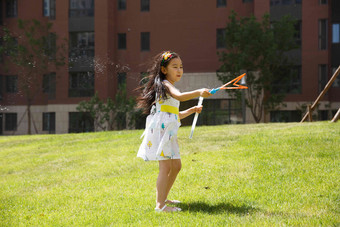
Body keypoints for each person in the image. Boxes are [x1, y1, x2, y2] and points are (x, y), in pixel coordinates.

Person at [136, 51, 212, 212]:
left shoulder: (168, 87)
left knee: (176, 166)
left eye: (181, 67)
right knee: (165, 168)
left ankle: (163, 198)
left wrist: (191, 111)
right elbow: (180, 97)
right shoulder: (165, 84)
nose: (179, 70)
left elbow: (173, 115)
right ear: (164, 70)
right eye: (175, 67)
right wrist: (198, 92)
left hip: (168, 132)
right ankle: (160, 206)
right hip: (162, 132)